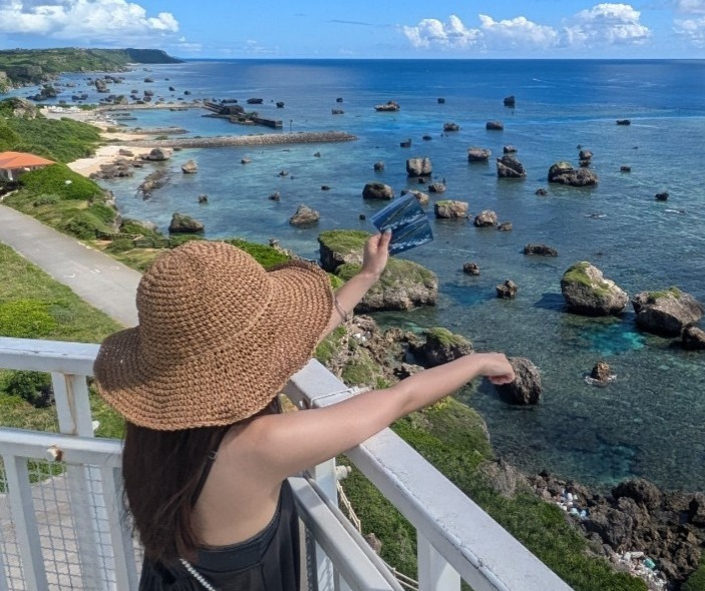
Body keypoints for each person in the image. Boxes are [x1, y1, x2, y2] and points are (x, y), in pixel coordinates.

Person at [93, 233, 515, 590]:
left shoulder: (156, 427)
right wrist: (477, 361)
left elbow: (299, 333)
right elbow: (398, 399)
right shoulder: (260, 444)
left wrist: (367, 275)